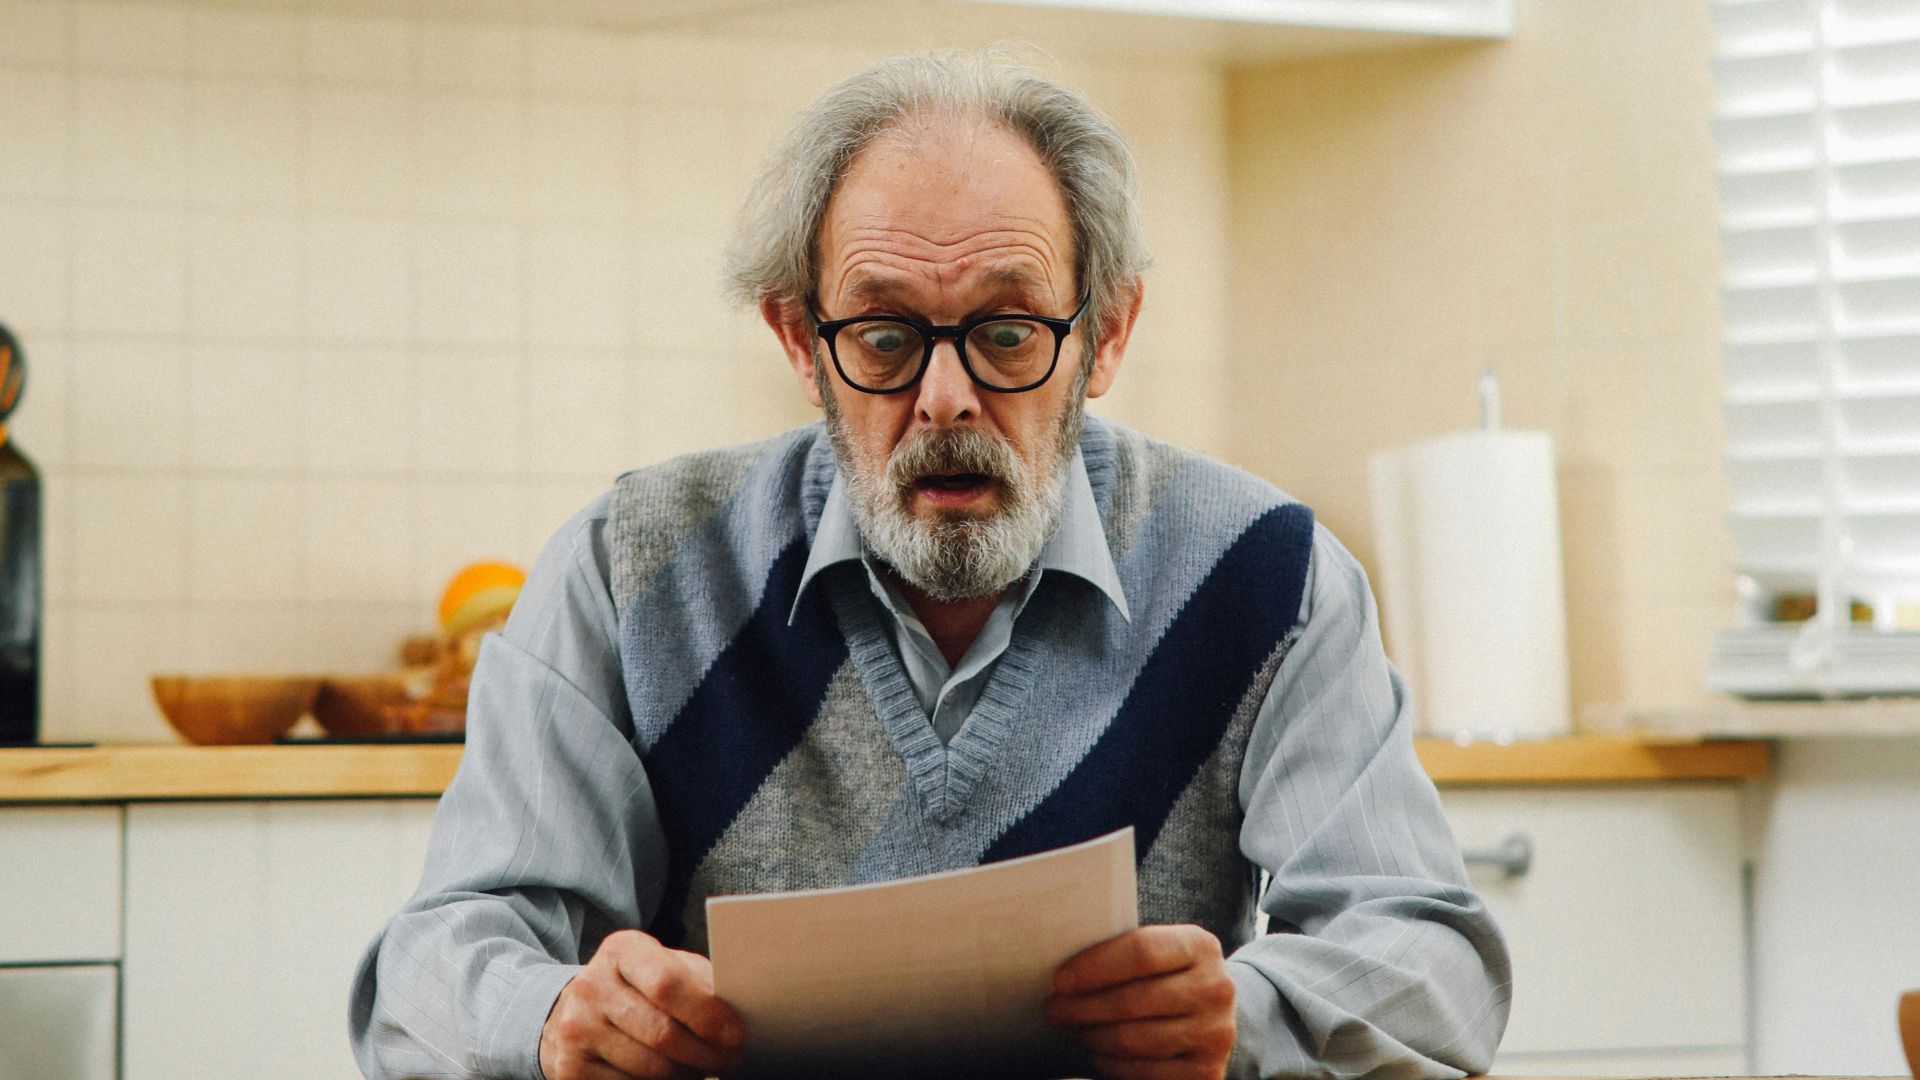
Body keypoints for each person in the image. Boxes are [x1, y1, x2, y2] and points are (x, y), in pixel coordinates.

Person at [349, 49, 1511, 1080]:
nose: (945, 399)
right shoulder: (629, 571)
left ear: (1104, 335)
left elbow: (1432, 959)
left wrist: (1243, 1019)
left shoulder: (1268, 577)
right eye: (887, 336)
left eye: (1008, 333)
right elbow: (429, 968)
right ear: (801, 341)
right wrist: (552, 1015)